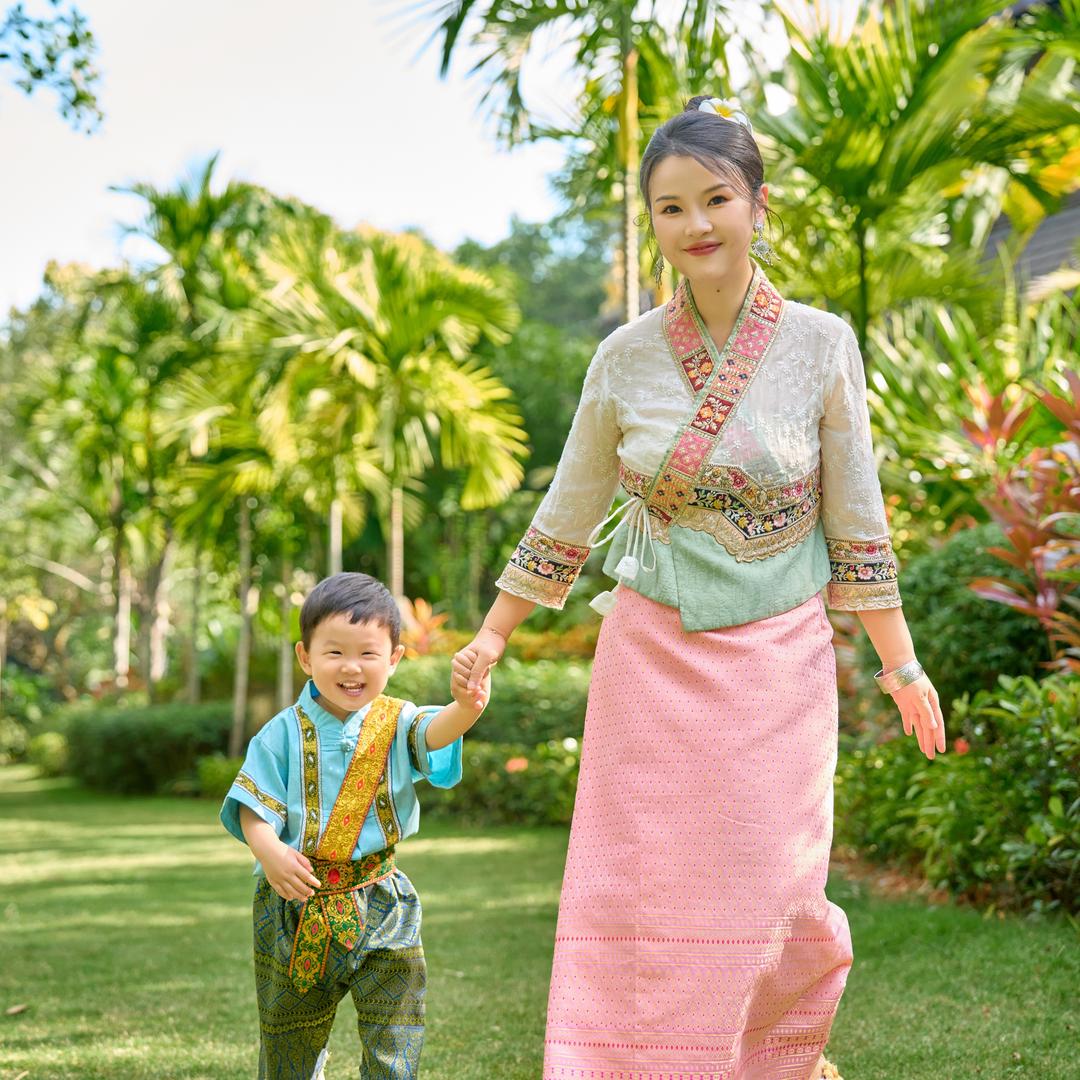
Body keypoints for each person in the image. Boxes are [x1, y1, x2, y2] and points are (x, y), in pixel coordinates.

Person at [453, 96, 946, 1080]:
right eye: (670, 209)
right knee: (646, 898)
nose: (696, 225)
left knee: (776, 891)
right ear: (653, 222)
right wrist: (493, 636)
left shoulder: (819, 344)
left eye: (715, 198)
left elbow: (858, 519)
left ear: (758, 204)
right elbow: (567, 510)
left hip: (779, 665)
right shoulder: (624, 358)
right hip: (652, 658)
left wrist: (903, 668)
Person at [220, 571, 490, 1080]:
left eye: (368, 653)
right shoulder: (279, 734)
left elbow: (435, 733)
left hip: (383, 900)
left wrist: (467, 707)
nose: (351, 668)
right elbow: (251, 805)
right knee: (288, 1042)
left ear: (394, 657)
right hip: (294, 902)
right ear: (305, 657)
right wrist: (268, 852)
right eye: (334, 652)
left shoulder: (398, 719)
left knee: (396, 1030)